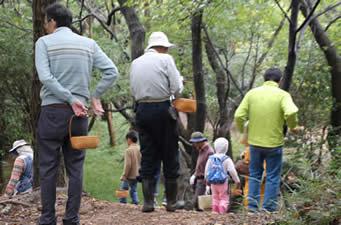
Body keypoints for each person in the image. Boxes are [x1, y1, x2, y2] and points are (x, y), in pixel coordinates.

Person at [35, 3, 118, 225]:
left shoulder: (44, 43)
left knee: (48, 167)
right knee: (76, 167)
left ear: (52, 21)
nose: (44, 25)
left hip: (52, 113)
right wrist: (94, 95)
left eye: (45, 21)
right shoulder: (88, 44)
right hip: (78, 116)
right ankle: (71, 219)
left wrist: (68, 98)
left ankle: (47, 219)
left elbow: (45, 77)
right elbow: (112, 71)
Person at [130, 31, 183, 212]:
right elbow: (176, 87)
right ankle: (171, 202)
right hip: (162, 109)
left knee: (148, 153)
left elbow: (133, 89)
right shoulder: (166, 60)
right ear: (162, 47)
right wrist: (179, 85)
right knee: (169, 152)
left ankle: (148, 202)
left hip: (142, 111)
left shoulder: (136, 63)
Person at [234, 68, 298, 212]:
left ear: (264, 79)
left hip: (255, 144)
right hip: (275, 144)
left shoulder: (252, 94)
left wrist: (242, 130)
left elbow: (238, 115)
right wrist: (293, 126)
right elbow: (292, 111)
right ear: (279, 80)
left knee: (255, 175)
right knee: (272, 176)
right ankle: (268, 209)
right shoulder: (283, 95)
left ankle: (252, 207)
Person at [205, 138, 241, 214]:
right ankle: (222, 212)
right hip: (223, 182)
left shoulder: (211, 158)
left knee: (215, 196)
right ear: (226, 147)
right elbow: (232, 171)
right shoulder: (227, 159)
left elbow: (206, 170)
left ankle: (215, 211)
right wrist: (237, 181)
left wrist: (207, 180)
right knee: (224, 197)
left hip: (213, 182)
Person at [189, 132, 214, 211]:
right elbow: (200, 166)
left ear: (200, 142)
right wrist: (194, 175)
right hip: (198, 179)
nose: (194, 145)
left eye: (195, 143)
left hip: (204, 180)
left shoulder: (209, 152)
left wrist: (208, 184)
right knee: (197, 204)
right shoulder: (201, 150)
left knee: (198, 204)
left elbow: (211, 169)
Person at [119, 130, 141, 205]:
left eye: (127, 140)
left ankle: (122, 202)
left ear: (129, 139)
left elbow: (128, 164)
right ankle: (135, 201)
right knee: (134, 189)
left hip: (129, 175)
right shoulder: (140, 148)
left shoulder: (128, 150)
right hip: (137, 174)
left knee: (123, 188)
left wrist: (124, 175)